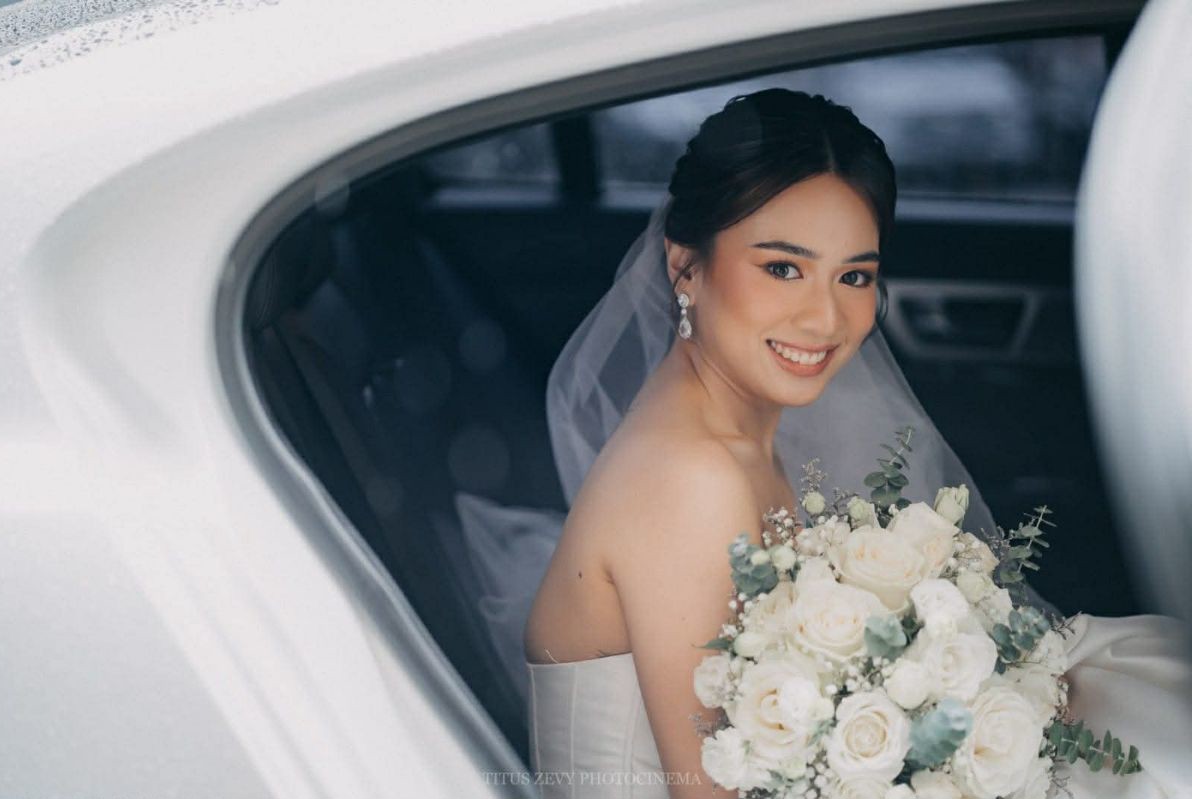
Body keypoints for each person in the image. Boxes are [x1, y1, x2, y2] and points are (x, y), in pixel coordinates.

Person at [511, 89, 1192, 798]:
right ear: (686, 266)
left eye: (854, 276)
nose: (825, 318)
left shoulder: (728, 437)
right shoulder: (691, 479)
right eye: (783, 268)